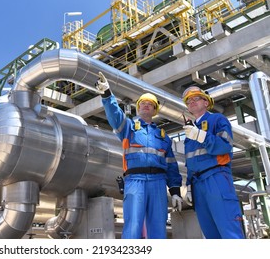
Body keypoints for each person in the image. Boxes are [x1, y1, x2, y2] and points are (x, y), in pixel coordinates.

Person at [95, 72, 183, 239]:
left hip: (158, 183)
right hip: (135, 181)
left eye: (150, 104)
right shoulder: (129, 127)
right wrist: (107, 94)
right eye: (143, 103)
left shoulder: (164, 137)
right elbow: (115, 116)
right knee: (133, 227)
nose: (146, 105)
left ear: (155, 110)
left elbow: (171, 166)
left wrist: (176, 191)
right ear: (138, 107)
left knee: (158, 227)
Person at [182, 86, 245, 239]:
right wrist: (189, 186)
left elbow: (224, 145)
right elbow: (191, 162)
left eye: (196, 98)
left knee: (229, 230)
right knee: (210, 235)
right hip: (197, 185)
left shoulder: (217, 119)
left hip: (216, 178)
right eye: (189, 101)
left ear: (206, 102)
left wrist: (200, 135)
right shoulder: (190, 132)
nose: (192, 102)